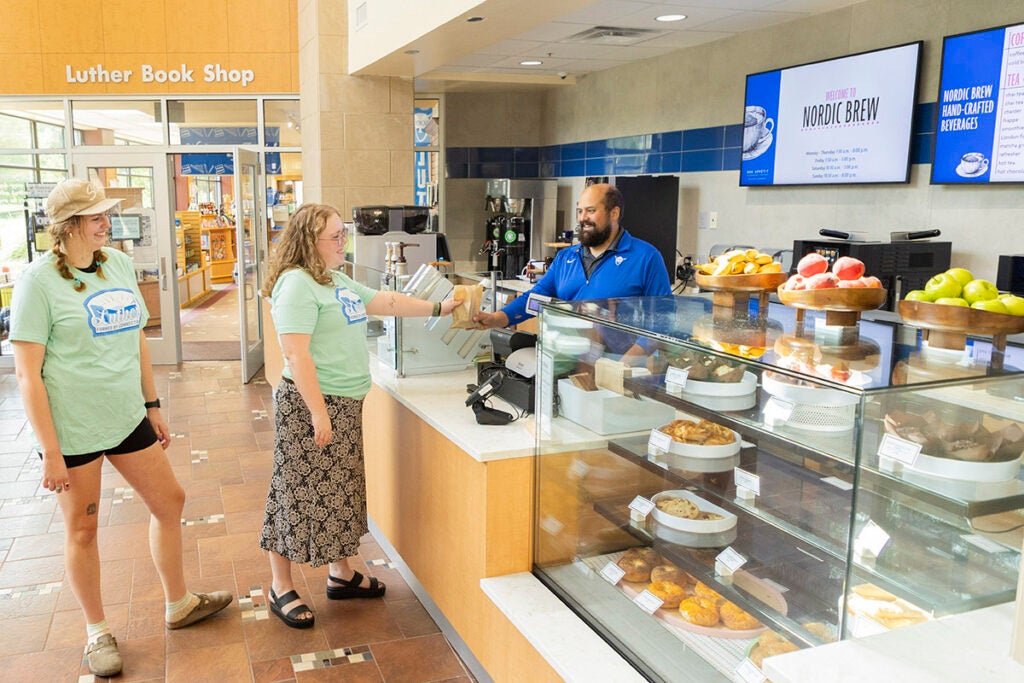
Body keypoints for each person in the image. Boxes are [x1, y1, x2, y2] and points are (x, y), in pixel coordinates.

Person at [10, 179, 232, 678]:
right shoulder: (37, 282)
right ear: (68, 227)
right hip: (71, 427)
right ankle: (97, 632)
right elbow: (27, 375)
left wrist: (151, 404)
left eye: (106, 215)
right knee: (84, 529)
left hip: (126, 414)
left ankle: (178, 603)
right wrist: (51, 451)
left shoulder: (120, 265)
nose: (107, 223)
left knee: (169, 500)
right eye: (96, 218)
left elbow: (137, 341)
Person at [259, 203, 460, 629]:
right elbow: (295, 354)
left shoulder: (333, 279)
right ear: (309, 242)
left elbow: (383, 300)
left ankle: (342, 573)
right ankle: (279, 586)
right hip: (311, 406)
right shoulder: (296, 284)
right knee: (295, 492)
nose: (342, 242)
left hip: (345, 404)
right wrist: (318, 413)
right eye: (335, 237)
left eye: (341, 234)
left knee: (340, 491)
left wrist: (441, 309)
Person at [473, 183, 672, 356]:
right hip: (567, 359)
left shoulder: (645, 257)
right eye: (580, 211)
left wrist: (627, 361)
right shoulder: (567, 257)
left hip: (619, 365)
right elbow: (537, 298)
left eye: (591, 211)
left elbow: (663, 318)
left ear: (614, 213)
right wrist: (497, 318)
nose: (582, 218)